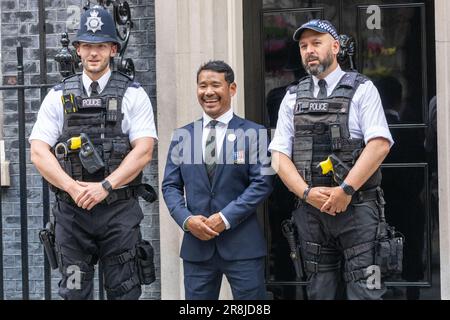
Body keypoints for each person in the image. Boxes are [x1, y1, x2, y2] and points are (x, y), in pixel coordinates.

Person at [29, 5, 157, 300]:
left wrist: (105, 187)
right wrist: (73, 188)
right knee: (74, 292)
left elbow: (144, 150)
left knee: (124, 292)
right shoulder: (58, 95)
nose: (93, 53)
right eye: (87, 45)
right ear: (77, 50)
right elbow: (38, 151)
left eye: (100, 45)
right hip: (72, 217)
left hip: (118, 212)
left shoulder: (134, 94)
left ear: (113, 48)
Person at [269, 19, 394, 300]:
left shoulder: (362, 89)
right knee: (319, 294)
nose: (309, 50)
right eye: (303, 46)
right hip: (310, 214)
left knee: (366, 293)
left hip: (358, 211)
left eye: (316, 43)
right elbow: (278, 156)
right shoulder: (291, 98)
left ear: (335, 47)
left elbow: (379, 145)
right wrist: (306, 193)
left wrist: (345, 190)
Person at [162, 60, 273, 300]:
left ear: (231, 89)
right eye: (202, 86)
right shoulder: (183, 136)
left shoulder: (254, 133)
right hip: (196, 247)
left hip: (243, 247)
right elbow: (170, 186)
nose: (208, 92)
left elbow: (262, 183)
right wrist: (186, 220)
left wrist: (225, 218)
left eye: (215, 85)